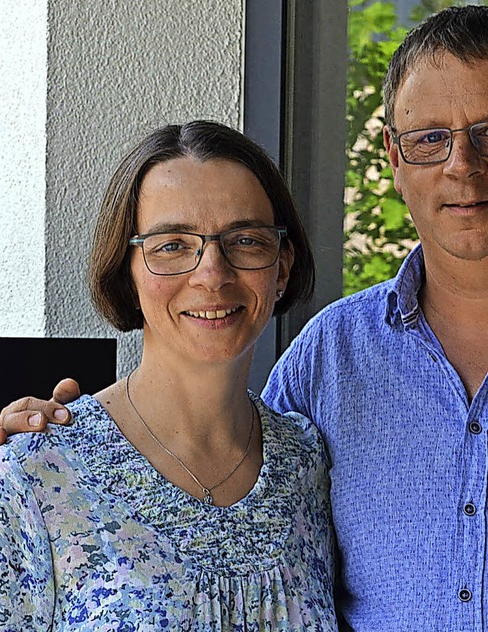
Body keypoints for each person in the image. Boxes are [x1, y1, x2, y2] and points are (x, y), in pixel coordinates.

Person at [3, 5, 488, 631]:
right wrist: (38, 442)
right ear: (395, 157)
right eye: (429, 139)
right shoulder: (330, 357)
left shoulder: (293, 457)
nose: (461, 164)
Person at [0, 120, 337, 631]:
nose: (212, 274)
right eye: (171, 245)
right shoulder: (38, 473)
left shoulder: (309, 465)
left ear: (281, 267)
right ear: (126, 271)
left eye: (245, 240)